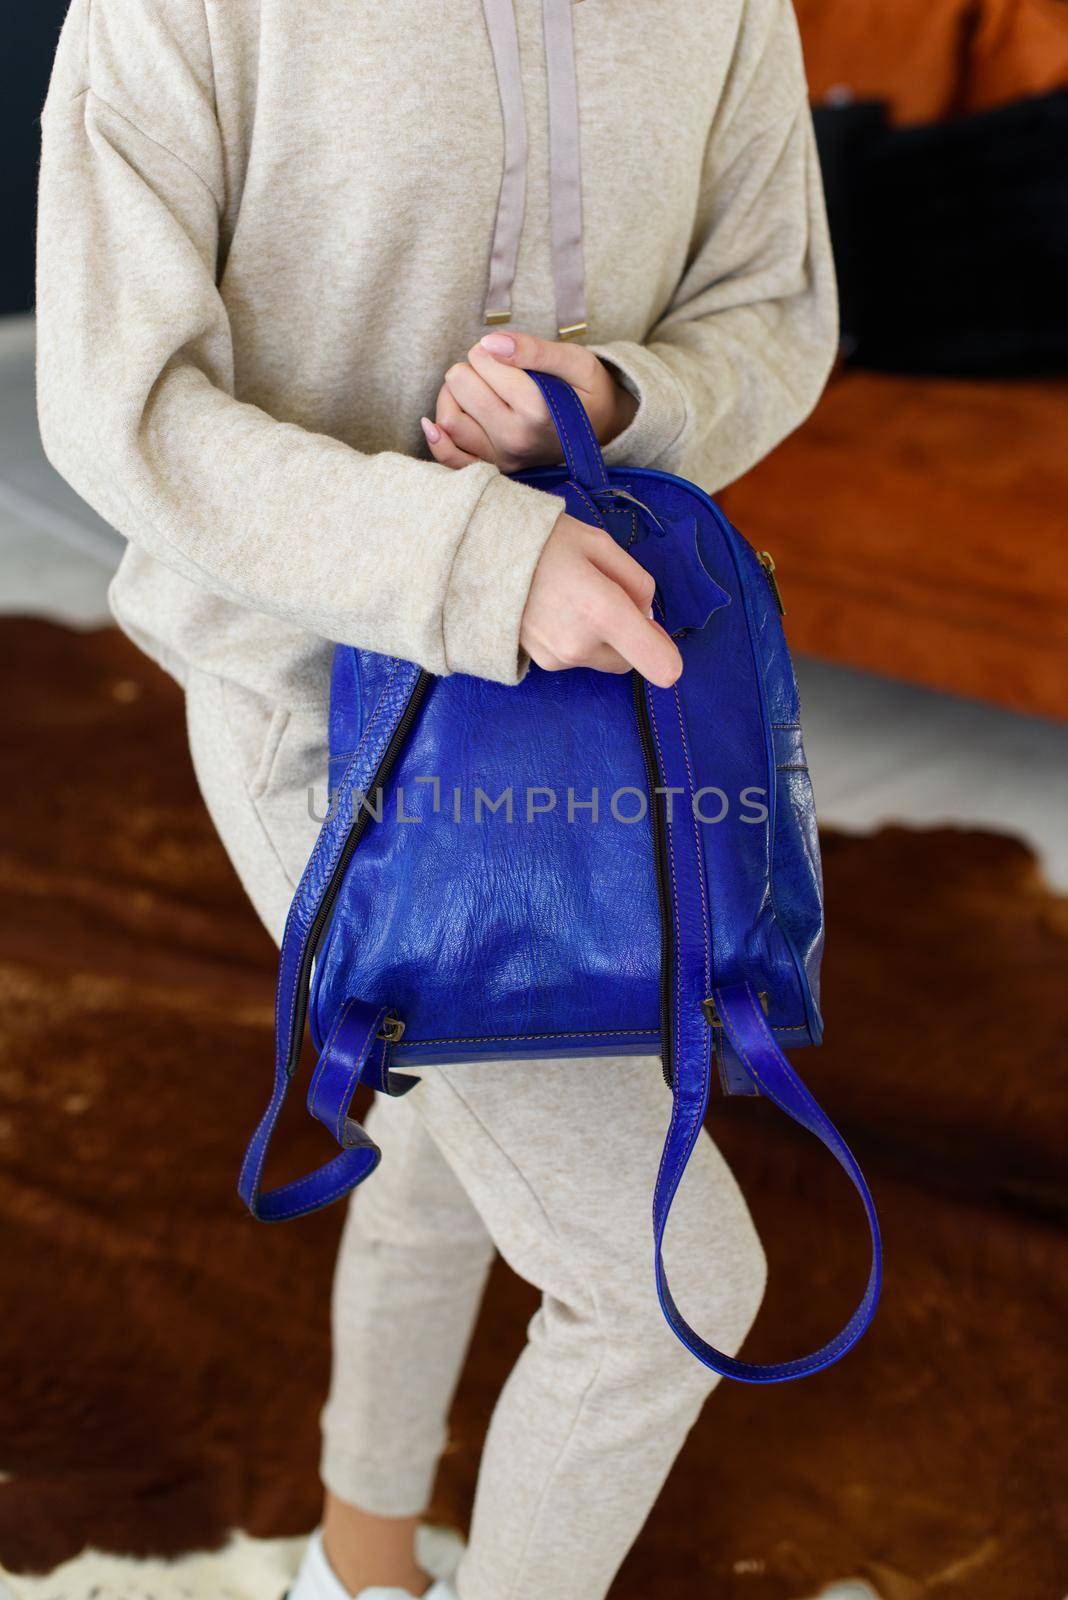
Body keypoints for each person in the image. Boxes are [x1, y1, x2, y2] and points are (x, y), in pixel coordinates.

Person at [35, 2, 838, 1597]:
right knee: (669, 1278)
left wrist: (614, 398)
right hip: (318, 718)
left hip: (613, 709)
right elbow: (117, 401)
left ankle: (356, 1562)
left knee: (455, 1133)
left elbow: (775, 308)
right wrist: (476, 555)